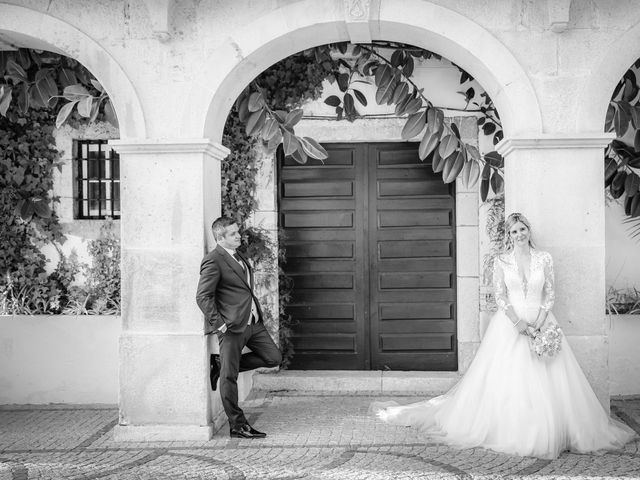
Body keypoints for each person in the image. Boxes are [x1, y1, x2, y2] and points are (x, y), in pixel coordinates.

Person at [373, 212, 636, 459]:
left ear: (529, 231)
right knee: (508, 379)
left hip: (541, 321)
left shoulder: (544, 258)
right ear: (508, 235)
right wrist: (518, 323)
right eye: (514, 231)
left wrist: (541, 323)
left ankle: (556, 430)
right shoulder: (502, 261)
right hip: (510, 325)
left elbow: (551, 294)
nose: (519, 234)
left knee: (552, 379)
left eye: (522, 229)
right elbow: (500, 296)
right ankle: (512, 429)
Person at [196, 216, 282, 439]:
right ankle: (237, 425)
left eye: (237, 232)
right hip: (232, 327)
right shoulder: (213, 260)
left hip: (253, 323)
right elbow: (203, 296)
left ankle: (221, 365)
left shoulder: (239, 255)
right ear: (220, 237)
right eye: (233, 233)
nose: (238, 236)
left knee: (274, 357)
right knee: (229, 378)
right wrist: (220, 325)